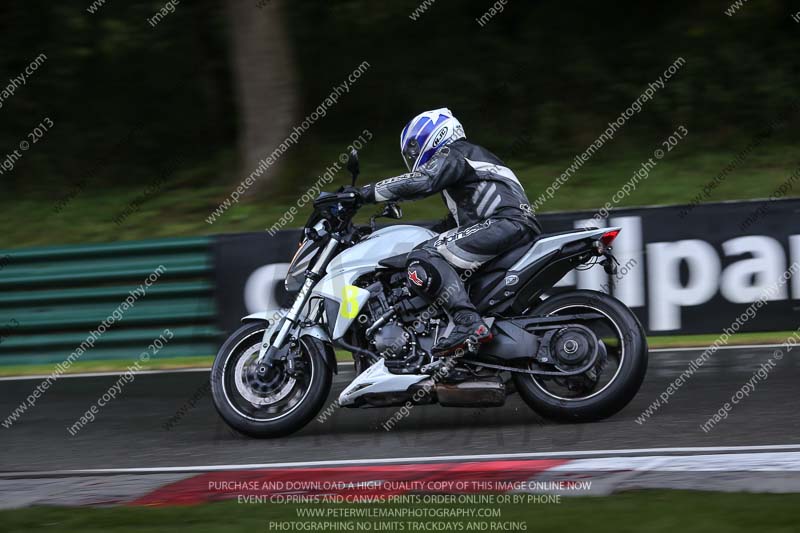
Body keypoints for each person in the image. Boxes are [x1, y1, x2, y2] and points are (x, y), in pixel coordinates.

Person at [358, 108, 542, 355]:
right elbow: (457, 224)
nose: (412, 153)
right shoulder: (466, 163)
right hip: (507, 224)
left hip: (504, 222)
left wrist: (363, 194)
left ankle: (467, 322)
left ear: (434, 135)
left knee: (422, 257)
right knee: (428, 250)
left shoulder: (455, 152)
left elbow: (421, 182)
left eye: (414, 145)